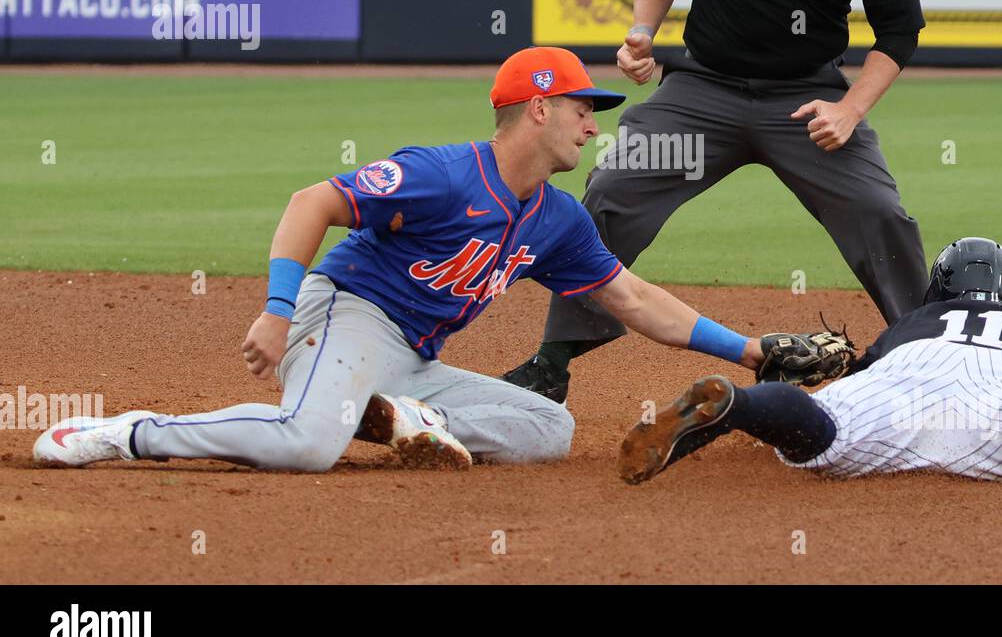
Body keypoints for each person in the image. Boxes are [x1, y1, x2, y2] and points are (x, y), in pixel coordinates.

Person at [34, 48, 833, 473]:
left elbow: (633, 299)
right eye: (584, 110)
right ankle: (132, 433)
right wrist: (278, 310)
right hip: (342, 314)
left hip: (411, 360)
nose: (593, 127)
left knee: (547, 426)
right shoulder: (443, 173)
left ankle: (409, 417)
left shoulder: (554, 219)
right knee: (309, 445)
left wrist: (752, 350)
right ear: (538, 108)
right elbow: (311, 201)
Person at [504, 0, 929, 404]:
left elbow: (899, 31)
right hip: (702, 91)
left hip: (804, 101)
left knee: (879, 213)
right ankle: (553, 360)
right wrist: (642, 30)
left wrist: (849, 109)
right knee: (615, 187)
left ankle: (932, 356)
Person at [618, 205, 1002, 485]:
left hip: (898, 386)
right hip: (1000, 404)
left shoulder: (901, 332)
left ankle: (738, 409)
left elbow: (831, 396)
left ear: (937, 292)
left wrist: (781, 393)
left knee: (824, 433)